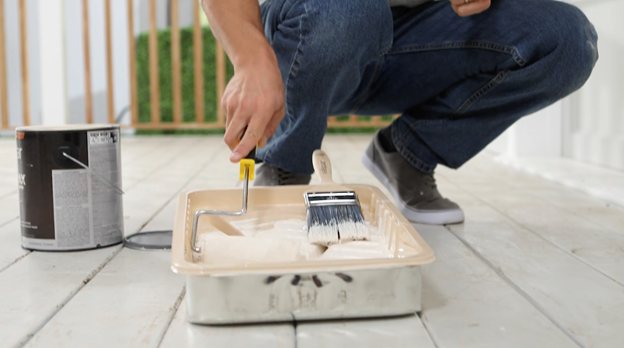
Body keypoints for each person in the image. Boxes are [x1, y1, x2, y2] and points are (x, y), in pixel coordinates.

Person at [200, 0, 598, 224]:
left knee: (566, 40)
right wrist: (251, 59)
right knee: (353, 10)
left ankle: (408, 154)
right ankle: (284, 161)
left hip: (419, 41)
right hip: (316, 34)